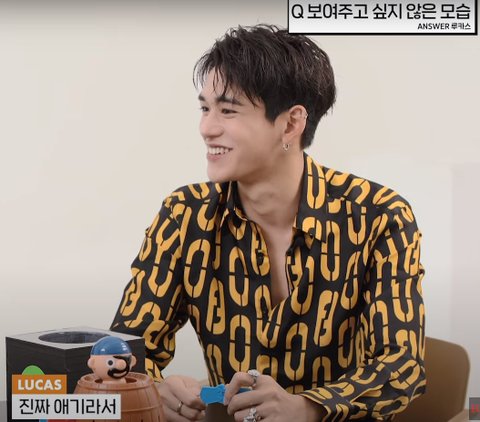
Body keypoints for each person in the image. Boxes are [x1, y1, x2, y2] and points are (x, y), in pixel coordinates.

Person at [111, 24, 425, 422]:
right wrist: (154, 388)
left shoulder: (378, 215)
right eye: (205, 108)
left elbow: (400, 366)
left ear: (291, 124)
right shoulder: (184, 215)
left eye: (228, 110)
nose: (207, 128)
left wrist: (307, 408)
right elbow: (123, 352)